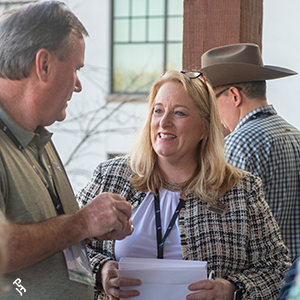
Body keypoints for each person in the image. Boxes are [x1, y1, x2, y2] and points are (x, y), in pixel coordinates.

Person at [77, 70, 291, 300]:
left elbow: (278, 269)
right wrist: (100, 270)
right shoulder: (111, 177)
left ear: (204, 128)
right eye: (158, 110)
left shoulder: (241, 190)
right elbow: (70, 244)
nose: (164, 122)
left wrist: (232, 289)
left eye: (179, 113)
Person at [0, 2, 133, 300]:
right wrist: (82, 222)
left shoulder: (39, 136)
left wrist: (93, 227)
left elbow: (56, 235)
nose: (78, 85)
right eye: (75, 69)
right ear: (44, 64)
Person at [200, 43, 300, 261]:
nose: (213, 113)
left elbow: (223, 222)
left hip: (263, 278)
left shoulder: (239, 143)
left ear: (234, 96)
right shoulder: (295, 135)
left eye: (212, 100)